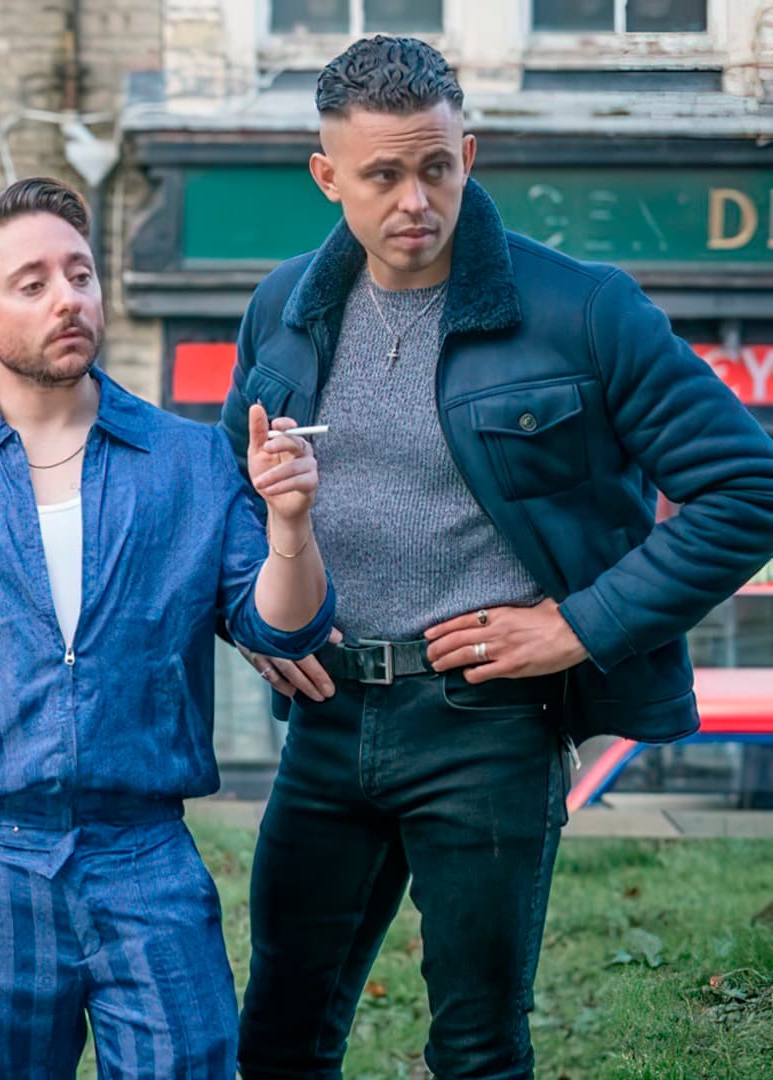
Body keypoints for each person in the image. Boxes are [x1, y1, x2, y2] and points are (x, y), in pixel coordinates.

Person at [224, 36, 773, 1077]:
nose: (415, 200)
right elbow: (231, 497)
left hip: (486, 724)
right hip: (328, 719)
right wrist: (254, 617)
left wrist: (577, 626)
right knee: (278, 1038)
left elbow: (748, 488)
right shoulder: (282, 311)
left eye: (437, 166)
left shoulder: (583, 309)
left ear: (468, 153)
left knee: (477, 1049)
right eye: (383, 175)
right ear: (327, 176)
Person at [0, 176, 335, 1079]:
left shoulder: (187, 460)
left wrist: (291, 526)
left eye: (80, 274)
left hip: (145, 855)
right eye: (31, 283)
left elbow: (281, 630)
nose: (67, 298)